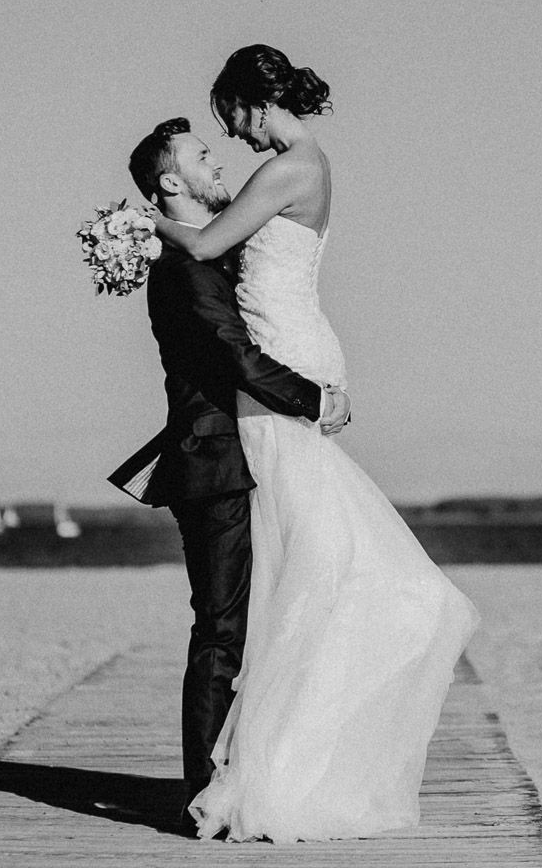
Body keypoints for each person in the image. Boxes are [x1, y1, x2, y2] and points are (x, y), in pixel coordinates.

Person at [141, 45, 479, 842]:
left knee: (303, 572)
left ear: (251, 101)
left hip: (284, 360)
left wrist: (137, 220)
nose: (235, 139)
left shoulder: (289, 167)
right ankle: (265, 762)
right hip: (290, 351)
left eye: (229, 119)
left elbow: (202, 244)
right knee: (296, 565)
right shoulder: (300, 162)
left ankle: (272, 768)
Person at [108, 116, 351, 835]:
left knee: (243, 627)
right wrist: (315, 398)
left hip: (232, 458)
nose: (219, 164)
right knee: (220, 631)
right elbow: (231, 357)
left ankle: (233, 775)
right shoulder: (183, 272)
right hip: (211, 464)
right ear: (170, 182)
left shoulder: (205, 260)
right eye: (201, 156)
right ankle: (201, 794)